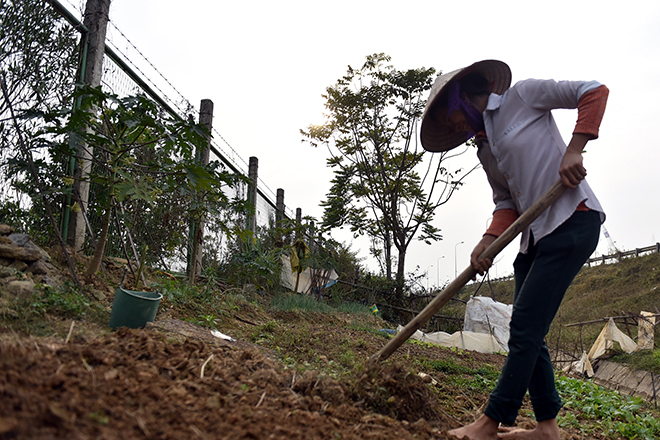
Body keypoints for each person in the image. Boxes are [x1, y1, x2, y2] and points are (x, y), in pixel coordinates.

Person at [420, 60, 609, 440]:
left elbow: (593, 91)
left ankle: (490, 423)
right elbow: (506, 200)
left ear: (465, 96)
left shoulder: (521, 97)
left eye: (452, 115)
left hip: (572, 219)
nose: (455, 125)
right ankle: (547, 428)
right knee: (528, 329)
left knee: (524, 324)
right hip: (534, 235)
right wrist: (488, 240)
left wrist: (574, 149)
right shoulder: (484, 150)